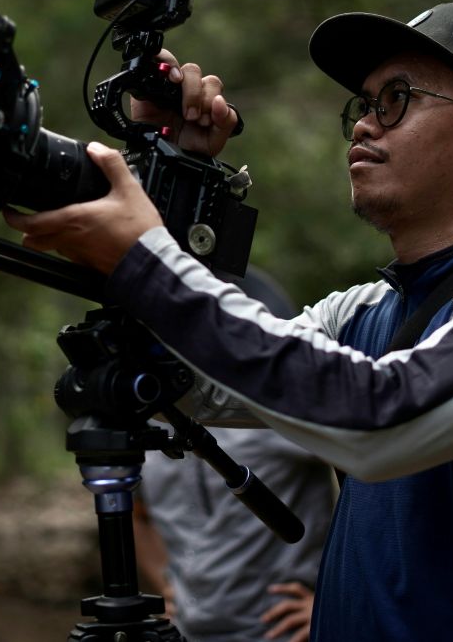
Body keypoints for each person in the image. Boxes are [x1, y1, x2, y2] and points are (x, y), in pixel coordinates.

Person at [5, 2, 453, 640]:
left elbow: (381, 422)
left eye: (397, 99)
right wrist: (172, 181)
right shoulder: (362, 312)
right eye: (363, 104)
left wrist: (149, 261)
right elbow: (197, 382)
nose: (362, 126)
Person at [134, 268, 336, 642]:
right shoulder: (154, 422)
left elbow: (379, 495)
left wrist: (332, 602)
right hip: (187, 633)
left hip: (279, 634)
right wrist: (165, 585)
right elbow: (139, 515)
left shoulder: (279, 414)